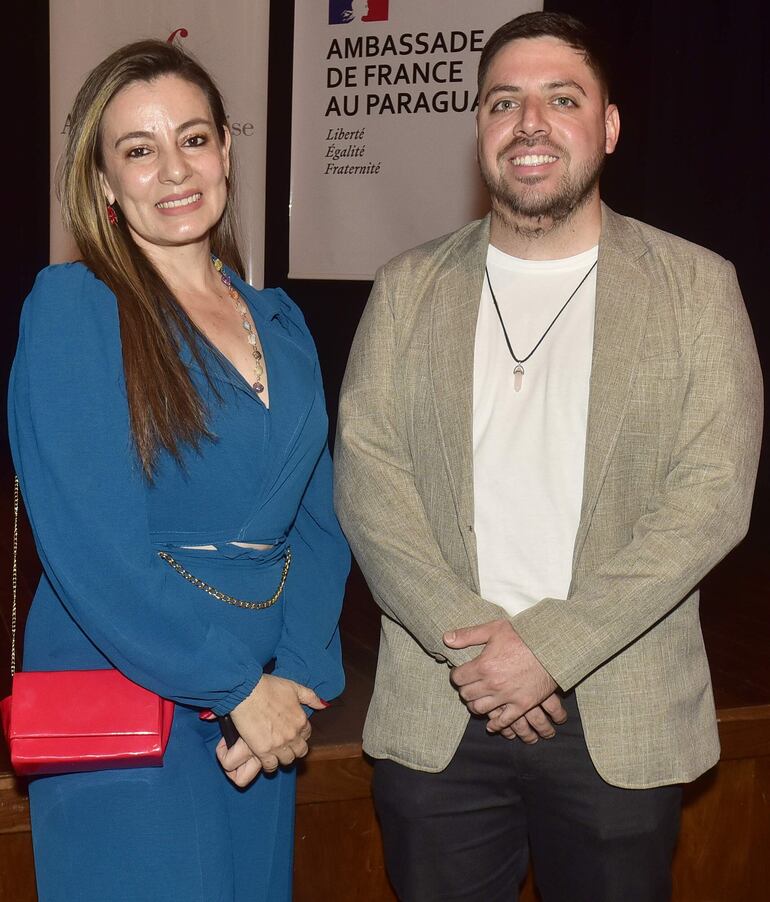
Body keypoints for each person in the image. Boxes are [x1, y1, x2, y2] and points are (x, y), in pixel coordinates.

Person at [334, 11, 762, 901]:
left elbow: (712, 498)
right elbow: (370, 484)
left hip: (619, 708)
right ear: (480, 131)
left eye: (560, 100)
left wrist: (548, 649)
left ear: (606, 127)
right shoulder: (407, 288)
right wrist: (484, 657)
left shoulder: (697, 287)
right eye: (504, 102)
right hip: (443, 706)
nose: (530, 123)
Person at [9, 40, 348, 902]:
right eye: (138, 150)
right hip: (128, 700)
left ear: (227, 151)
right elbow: (92, 553)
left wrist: (294, 688)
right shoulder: (74, 308)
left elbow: (318, 520)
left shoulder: (283, 320)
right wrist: (232, 685)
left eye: (193, 139)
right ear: (104, 184)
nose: (173, 170)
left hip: (262, 718)